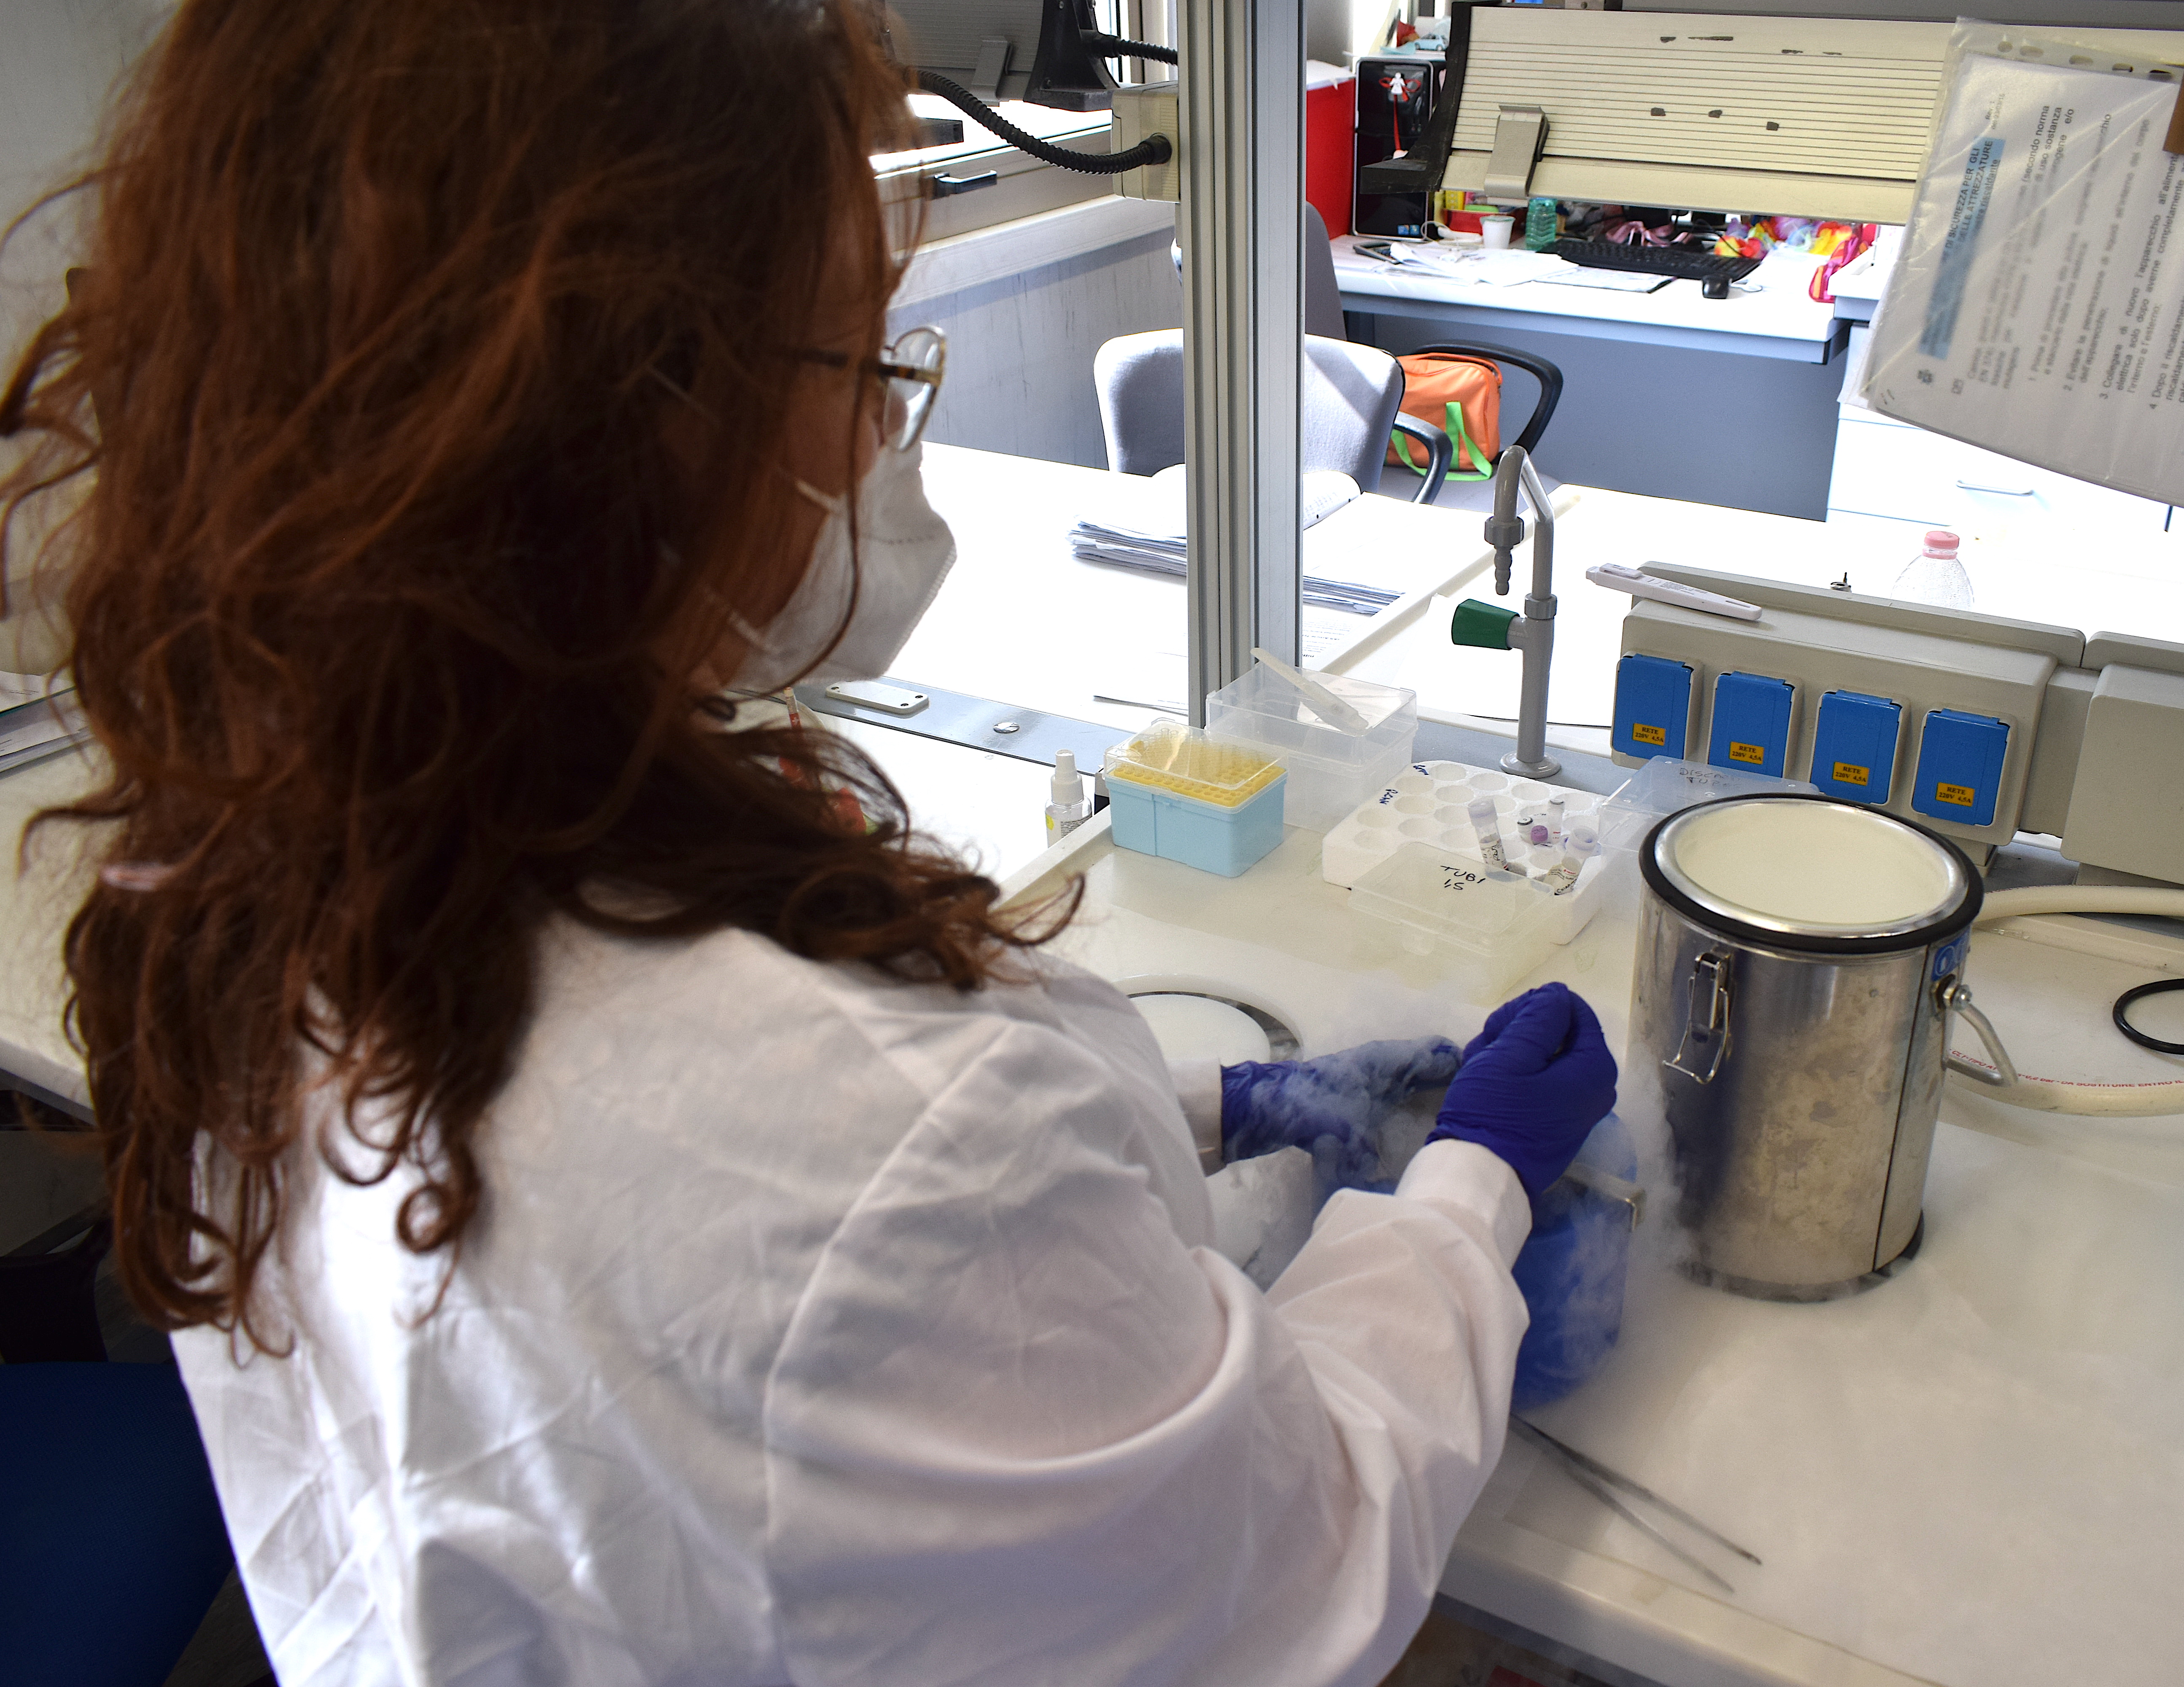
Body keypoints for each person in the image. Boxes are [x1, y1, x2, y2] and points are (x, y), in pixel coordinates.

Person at [0, 3, 1619, 1683]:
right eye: (856, 362)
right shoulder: (884, 1141)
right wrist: (1467, 1190)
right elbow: (1297, 1557)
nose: (877, 439)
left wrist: (1219, 1103)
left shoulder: (250, 852)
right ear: (611, 415)